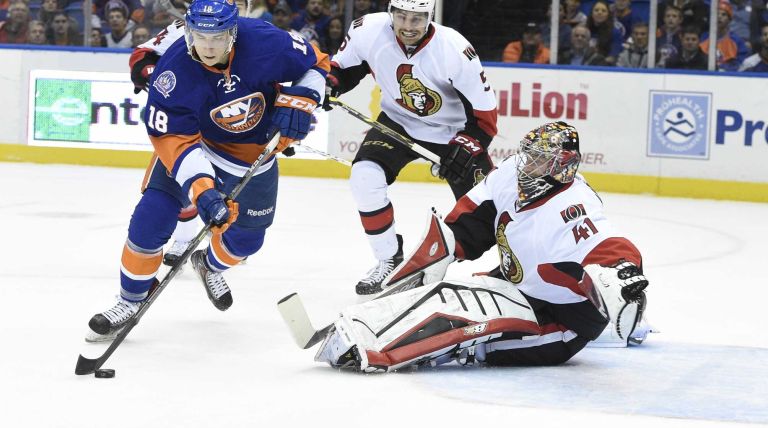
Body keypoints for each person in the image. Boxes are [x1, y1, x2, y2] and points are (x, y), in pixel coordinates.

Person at [314, 122, 651, 372]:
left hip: (564, 319)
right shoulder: (510, 173)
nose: (527, 164)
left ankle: (387, 352)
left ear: (562, 166)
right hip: (518, 281)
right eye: (529, 155)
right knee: (451, 294)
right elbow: (472, 220)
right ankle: (363, 325)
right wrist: (445, 249)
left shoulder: (573, 205)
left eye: (539, 160)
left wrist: (622, 269)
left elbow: (608, 246)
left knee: (477, 335)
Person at [85, 0, 329, 341]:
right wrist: (203, 191)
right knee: (151, 216)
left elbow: (317, 63)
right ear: (189, 33)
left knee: (247, 240)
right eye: (201, 37)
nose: (208, 47)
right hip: (198, 144)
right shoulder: (173, 72)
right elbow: (174, 139)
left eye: (217, 38)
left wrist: (301, 100)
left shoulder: (265, 40)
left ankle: (209, 265)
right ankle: (129, 300)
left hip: (252, 152)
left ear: (233, 33)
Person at [325, 0, 498, 295]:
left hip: (453, 132)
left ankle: (515, 268)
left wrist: (467, 145)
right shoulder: (368, 30)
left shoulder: (454, 49)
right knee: (364, 177)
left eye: (416, 19)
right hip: (398, 121)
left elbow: (485, 117)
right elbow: (342, 68)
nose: (407, 26)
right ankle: (388, 258)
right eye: (401, 16)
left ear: (430, 17)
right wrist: (329, 85)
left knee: (491, 209)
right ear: (390, 13)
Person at [699, 1, 750, 71]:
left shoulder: (737, 41)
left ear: (729, 20)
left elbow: (740, 64)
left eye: (723, 14)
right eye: (717, 14)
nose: (719, 17)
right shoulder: (703, 37)